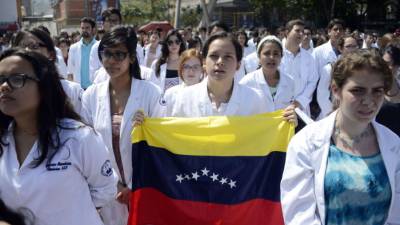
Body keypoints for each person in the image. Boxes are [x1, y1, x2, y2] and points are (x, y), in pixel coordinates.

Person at [281, 50, 400, 225]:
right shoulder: (305, 143)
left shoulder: (394, 144)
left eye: (377, 91)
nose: (368, 101)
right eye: (358, 91)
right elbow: (299, 215)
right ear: (336, 90)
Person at [0, 48, 117, 225]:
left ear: (44, 86)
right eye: (0, 80)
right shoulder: (3, 139)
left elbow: (105, 189)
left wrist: (71, 212)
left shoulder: (79, 138)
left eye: (17, 79)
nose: (4, 86)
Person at [81, 26, 162, 225]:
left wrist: (134, 185)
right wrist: (115, 185)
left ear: (132, 58)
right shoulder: (91, 95)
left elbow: (158, 145)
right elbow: (88, 146)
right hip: (107, 188)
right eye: (107, 54)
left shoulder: (150, 93)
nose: (111, 61)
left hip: (144, 185)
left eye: (119, 54)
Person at [159, 31, 296, 125]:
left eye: (228, 57)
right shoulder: (181, 99)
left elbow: (267, 138)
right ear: (204, 63)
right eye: (214, 56)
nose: (220, 62)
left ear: (238, 64)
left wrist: (285, 123)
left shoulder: (256, 100)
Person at [11, 28, 83, 115]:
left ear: (51, 54)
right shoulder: (9, 90)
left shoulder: (71, 91)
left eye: (34, 46)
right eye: (20, 47)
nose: (26, 51)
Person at [240, 35, 296, 114]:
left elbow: (290, 109)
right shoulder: (247, 82)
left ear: (281, 57)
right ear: (259, 56)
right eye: (267, 53)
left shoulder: (289, 81)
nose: (271, 57)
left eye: (276, 54)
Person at [280, 19, 318, 116]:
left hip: (301, 109)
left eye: (302, 31)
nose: (301, 34)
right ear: (287, 32)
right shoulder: (277, 55)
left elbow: (313, 81)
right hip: (279, 107)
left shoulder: (309, 58)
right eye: (297, 31)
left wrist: (299, 102)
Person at [317, 34, 359, 119]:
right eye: (349, 46)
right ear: (340, 49)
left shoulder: (361, 70)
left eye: (355, 46)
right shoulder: (330, 68)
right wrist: (332, 113)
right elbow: (322, 94)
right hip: (331, 114)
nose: (353, 49)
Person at [89, 8, 122, 81]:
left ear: (120, 23)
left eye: (115, 20)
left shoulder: (133, 46)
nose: (112, 23)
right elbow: (92, 76)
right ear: (103, 24)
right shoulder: (96, 47)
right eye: (108, 20)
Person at [377, 40, 400, 135]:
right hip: (380, 142)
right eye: (385, 63)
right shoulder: (372, 88)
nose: (390, 67)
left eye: (393, 64)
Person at [67, 17, 97, 89]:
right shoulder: (73, 48)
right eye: (82, 28)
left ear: (93, 29)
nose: (84, 30)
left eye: (87, 28)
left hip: (95, 88)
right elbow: (70, 72)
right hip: (79, 90)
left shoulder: (99, 46)